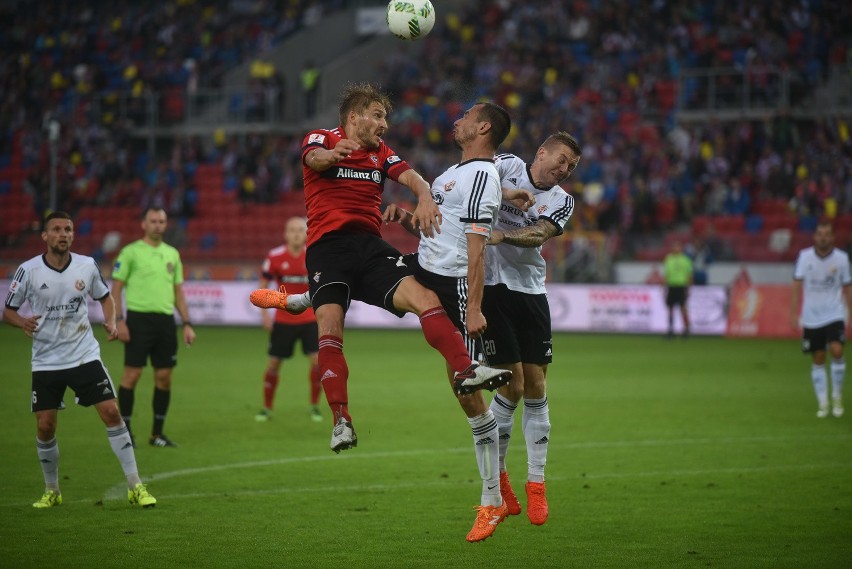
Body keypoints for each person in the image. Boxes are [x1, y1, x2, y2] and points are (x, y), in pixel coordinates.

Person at [250, 83, 511, 458]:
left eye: (385, 116)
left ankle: (466, 368)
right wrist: (331, 154)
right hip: (329, 248)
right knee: (330, 327)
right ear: (354, 117)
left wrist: (423, 196)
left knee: (424, 297)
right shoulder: (321, 137)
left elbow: (413, 177)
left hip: (370, 247)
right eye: (377, 115)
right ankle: (341, 419)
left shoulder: (380, 152)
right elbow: (315, 161)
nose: (384, 124)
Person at [383, 102, 516, 542]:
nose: (456, 120)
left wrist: (474, 307)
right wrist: (406, 217)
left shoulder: (482, 176)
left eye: (465, 116)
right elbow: (438, 232)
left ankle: (492, 498)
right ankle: (308, 296)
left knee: (466, 393)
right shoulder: (449, 175)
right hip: (425, 271)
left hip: (456, 289)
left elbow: (476, 248)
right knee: (368, 272)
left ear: (483, 127)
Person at [3, 211, 157, 509]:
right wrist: (21, 321)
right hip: (46, 360)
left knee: (112, 412)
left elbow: (106, 297)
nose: (63, 234)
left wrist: (111, 321)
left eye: (68, 229)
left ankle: (135, 486)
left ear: (73, 234)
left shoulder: (86, 265)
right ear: (45, 236)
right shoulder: (28, 270)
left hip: (84, 355)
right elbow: (8, 309)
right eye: (57, 229)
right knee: (46, 426)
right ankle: (52, 490)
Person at [477, 132, 581, 527]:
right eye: (561, 159)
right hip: (490, 287)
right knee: (510, 384)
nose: (564, 169)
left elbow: (540, 232)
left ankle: (536, 484)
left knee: (535, 384)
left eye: (570, 166)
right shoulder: (505, 165)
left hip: (530, 289)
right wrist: (506, 194)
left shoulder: (562, 200)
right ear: (542, 153)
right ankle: (501, 481)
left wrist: (501, 234)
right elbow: (478, 180)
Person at [111, 207, 196, 447]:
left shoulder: (172, 254)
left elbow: (178, 291)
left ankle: (156, 434)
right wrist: (119, 320)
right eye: (153, 221)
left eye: (161, 221)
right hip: (138, 320)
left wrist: (187, 323)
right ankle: (125, 433)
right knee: (132, 374)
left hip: (165, 321)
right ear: (144, 224)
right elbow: (116, 288)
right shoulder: (130, 252)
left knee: (164, 377)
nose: (158, 225)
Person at [256, 216, 322, 423]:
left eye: (299, 229)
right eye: (292, 230)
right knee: (274, 364)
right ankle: (267, 408)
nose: (295, 233)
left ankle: (314, 406)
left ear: (306, 233)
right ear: (285, 234)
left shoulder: (314, 255)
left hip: (309, 319)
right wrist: (265, 314)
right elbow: (263, 285)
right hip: (283, 320)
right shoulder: (274, 256)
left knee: (318, 363)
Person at [790, 221, 851, 418]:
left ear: (833, 237)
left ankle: (837, 396)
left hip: (835, 313)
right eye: (819, 234)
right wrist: (793, 313)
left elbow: (847, 286)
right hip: (811, 316)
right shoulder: (804, 256)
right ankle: (823, 402)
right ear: (814, 237)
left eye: (827, 234)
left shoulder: (842, 258)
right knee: (818, 357)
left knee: (837, 349)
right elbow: (797, 285)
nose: (823, 237)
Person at [663, 241, 693, 338]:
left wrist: (688, 288)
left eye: (678, 247)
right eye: (674, 247)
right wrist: (664, 286)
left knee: (683, 308)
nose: (676, 249)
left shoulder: (686, 260)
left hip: (681, 286)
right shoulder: (668, 259)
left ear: (681, 248)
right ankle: (670, 330)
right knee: (670, 308)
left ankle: (686, 329)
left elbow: (689, 275)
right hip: (672, 286)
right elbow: (666, 274)